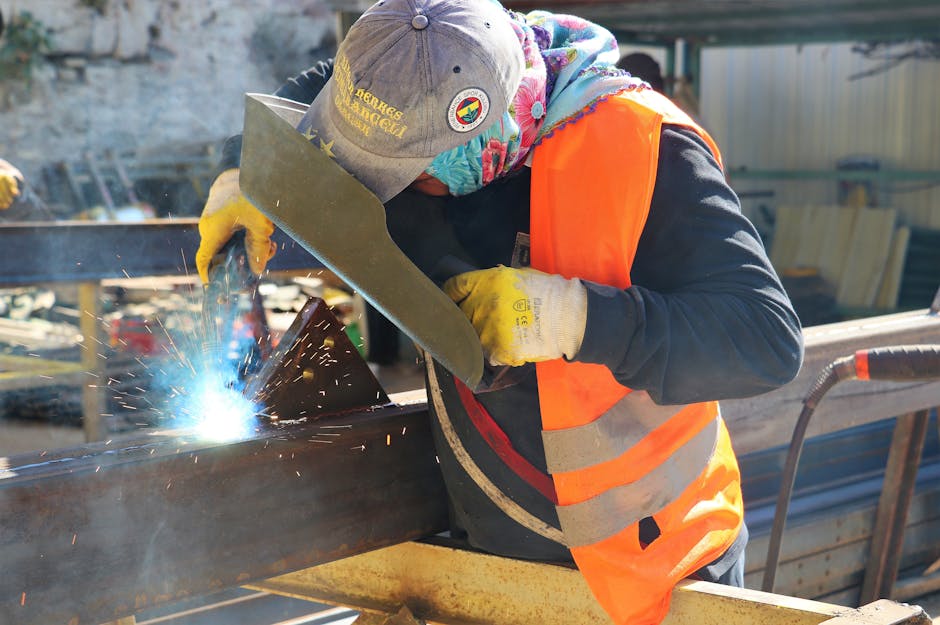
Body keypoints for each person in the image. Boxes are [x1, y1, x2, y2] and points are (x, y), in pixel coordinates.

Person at [196, 1, 804, 624]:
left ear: (486, 135)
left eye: (408, 171)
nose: (387, 188)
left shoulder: (649, 150)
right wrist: (246, 168)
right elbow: (330, 90)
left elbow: (767, 340)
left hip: (650, 569)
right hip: (490, 549)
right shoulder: (425, 66)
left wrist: (571, 319)